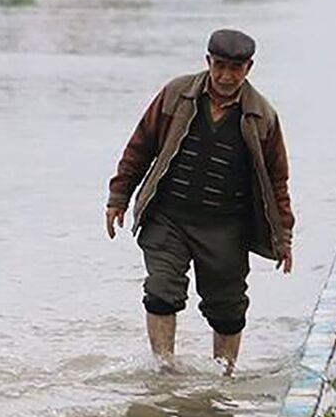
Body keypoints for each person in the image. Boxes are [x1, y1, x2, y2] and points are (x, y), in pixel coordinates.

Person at [104, 29, 295, 375]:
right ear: (208, 62)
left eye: (235, 69)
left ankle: (223, 379)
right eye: (219, 66)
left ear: (248, 68)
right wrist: (119, 196)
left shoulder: (261, 116)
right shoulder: (176, 95)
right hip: (168, 217)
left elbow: (277, 181)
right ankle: (164, 371)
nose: (225, 76)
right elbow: (140, 146)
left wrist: (284, 238)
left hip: (226, 227)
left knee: (228, 309)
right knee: (161, 290)